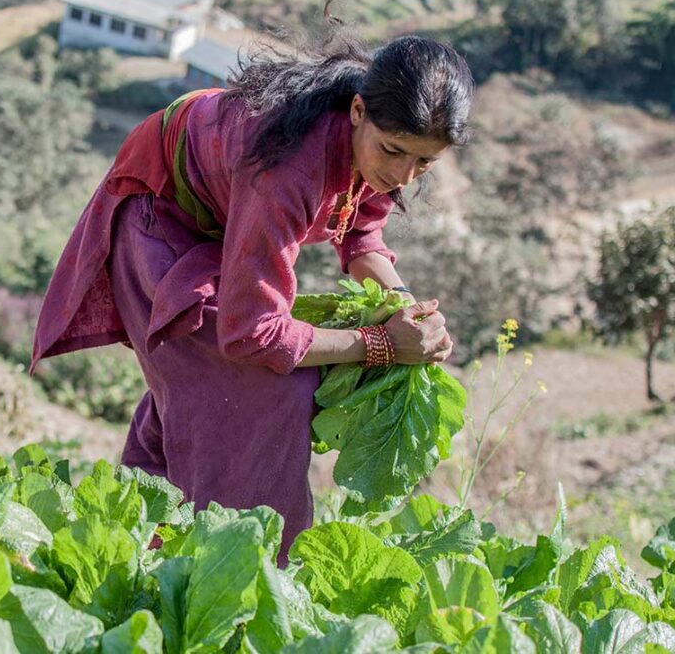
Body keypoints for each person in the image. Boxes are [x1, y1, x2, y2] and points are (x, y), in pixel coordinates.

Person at [31, 28, 472, 560]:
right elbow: (255, 335)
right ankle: (251, 568)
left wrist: (406, 303)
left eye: (424, 163)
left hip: (221, 234)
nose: (402, 174)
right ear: (358, 111)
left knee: (206, 394)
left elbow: (359, 233)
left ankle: (134, 545)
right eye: (394, 152)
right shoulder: (289, 168)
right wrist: (381, 344)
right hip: (158, 227)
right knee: (269, 389)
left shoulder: (371, 150)